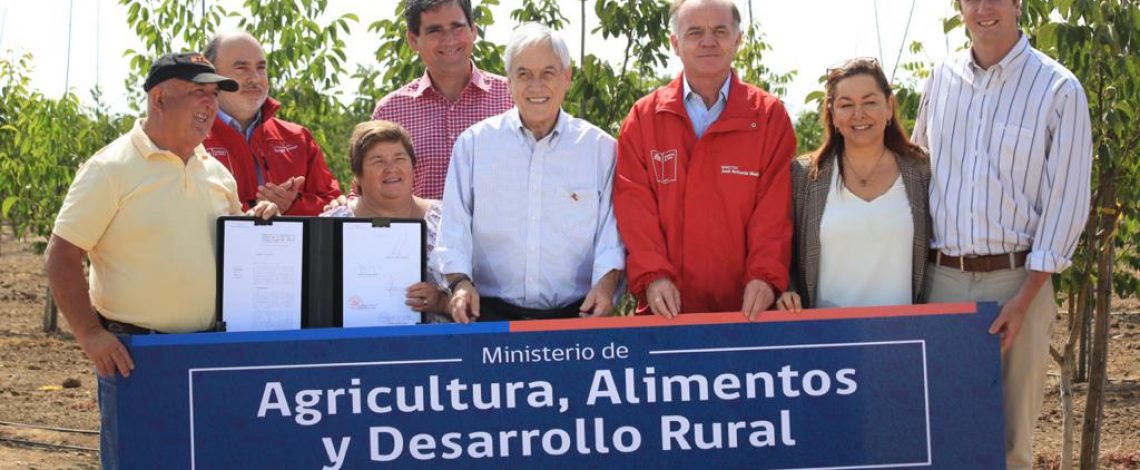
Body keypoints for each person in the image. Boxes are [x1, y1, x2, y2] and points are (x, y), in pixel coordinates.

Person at [912, 1, 1093, 468]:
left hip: (1019, 283)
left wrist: (1026, 296)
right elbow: (919, 172)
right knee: (940, 435)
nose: (983, 8)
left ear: (1018, 4)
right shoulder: (940, 79)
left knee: (1011, 446)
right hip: (942, 281)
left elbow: (1067, 202)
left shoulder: (1058, 88)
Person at [614, 0, 794, 320]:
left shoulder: (768, 117)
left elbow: (775, 210)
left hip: (747, 312)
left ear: (737, 40)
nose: (708, 41)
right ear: (675, 43)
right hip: (665, 314)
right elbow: (634, 206)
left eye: (720, 31)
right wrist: (653, 276)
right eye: (695, 32)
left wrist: (765, 278)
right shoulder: (644, 118)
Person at [433, 23, 624, 323]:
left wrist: (606, 284)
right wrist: (459, 283)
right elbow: (454, 229)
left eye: (548, 73)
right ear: (508, 81)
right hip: (489, 316)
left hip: (578, 316)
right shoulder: (474, 145)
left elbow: (611, 234)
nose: (536, 86)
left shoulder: (601, 150)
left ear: (567, 78)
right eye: (524, 74)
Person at [776, 58, 930, 311]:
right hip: (830, 336)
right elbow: (785, 253)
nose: (859, 114)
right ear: (833, 115)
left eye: (870, 102)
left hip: (904, 336)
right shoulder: (804, 175)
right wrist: (786, 291)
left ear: (889, 107)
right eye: (846, 105)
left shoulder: (922, 170)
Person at [372, 0, 512, 200]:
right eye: (434, 31)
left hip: (499, 232)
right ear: (413, 40)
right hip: (421, 232)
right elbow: (368, 192)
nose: (449, 40)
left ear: (473, 31)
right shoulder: (389, 112)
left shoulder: (512, 99)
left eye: (457, 27)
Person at [202, 31, 342, 215]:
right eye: (241, 68)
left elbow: (335, 207)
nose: (255, 78)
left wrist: (293, 205)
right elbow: (183, 210)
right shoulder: (190, 139)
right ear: (212, 77)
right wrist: (252, 212)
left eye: (261, 68)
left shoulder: (298, 138)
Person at [322, 120, 449, 322]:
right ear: (358, 175)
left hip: (441, 348)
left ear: (413, 166)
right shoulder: (330, 226)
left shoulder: (447, 220)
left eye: (400, 158)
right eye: (378, 161)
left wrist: (442, 301)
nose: (391, 168)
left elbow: (478, 293)